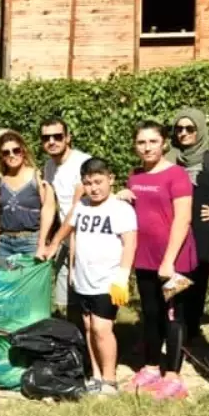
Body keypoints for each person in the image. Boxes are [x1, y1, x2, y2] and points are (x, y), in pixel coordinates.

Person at [116, 121, 198, 400]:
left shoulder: (177, 175)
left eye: (153, 141)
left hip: (175, 262)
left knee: (174, 317)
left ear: (164, 143)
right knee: (151, 315)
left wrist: (169, 260)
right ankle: (151, 367)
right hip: (145, 258)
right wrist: (122, 198)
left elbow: (183, 218)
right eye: (141, 142)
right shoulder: (135, 176)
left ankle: (174, 377)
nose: (147, 147)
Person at [47, 158, 137, 397]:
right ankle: (95, 375)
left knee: (101, 329)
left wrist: (123, 276)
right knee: (88, 327)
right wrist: (69, 265)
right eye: (88, 183)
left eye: (98, 182)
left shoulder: (121, 209)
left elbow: (130, 244)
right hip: (83, 279)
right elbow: (72, 232)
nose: (94, 188)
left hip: (107, 281)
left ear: (111, 179)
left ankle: (110, 379)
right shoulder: (82, 206)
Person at [166, 108, 209, 339]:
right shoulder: (168, 161)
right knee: (173, 277)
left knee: (197, 279)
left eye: (189, 128)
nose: (183, 133)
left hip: (201, 230)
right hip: (173, 227)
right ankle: (172, 325)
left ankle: (190, 329)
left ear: (199, 130)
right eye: (179, 129)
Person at [41, 117, 92, 307]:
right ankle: (70, 334)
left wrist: (54, 242)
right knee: (66, 300)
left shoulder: (82, 162)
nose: (52, 141)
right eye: (46, 138)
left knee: (84, 298)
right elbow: (49, 204)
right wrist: (42, 242)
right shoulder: (49, 166)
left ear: (68, 138)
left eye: (57, 136)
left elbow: (76, 208)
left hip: (85, 237)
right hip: (66, 236)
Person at [0, 131, 55, 259]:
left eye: (16, 150)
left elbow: (48, 209)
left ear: (23, 151)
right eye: (6, 152)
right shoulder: (0, 179)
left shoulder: (37, 176)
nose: (12, 155)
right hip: (5, 243)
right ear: (1, 156)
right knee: (5, 279)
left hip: (31, 242)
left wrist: (43, 241)